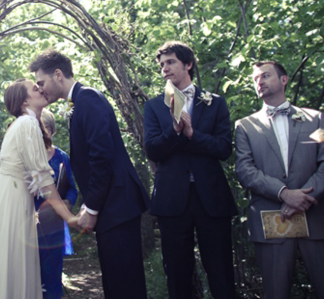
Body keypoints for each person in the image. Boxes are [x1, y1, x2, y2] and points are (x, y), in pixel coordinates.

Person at [30, 50, 150, 299]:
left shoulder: (89, 98)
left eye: (41, 83)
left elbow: (101, 156)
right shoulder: (79, 102)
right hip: (111, 205)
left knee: (125, 282)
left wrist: (92, 209)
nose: (41, 90)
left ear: (58, 74)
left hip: (118, 205)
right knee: (115, 281)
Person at [143, 41, 238, 299]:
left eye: (171, 62)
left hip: (211, 197)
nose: (164, 68)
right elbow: (152, 149)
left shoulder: (215, 103)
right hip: (172, 199)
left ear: (188, 64)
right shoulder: (154, 106)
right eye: (161, 64)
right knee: (177, 273)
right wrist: (174, 132)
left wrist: (193, 134)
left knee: (221, 272)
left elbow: (223, 148)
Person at [0, 79, 79, 299]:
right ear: (24, 101)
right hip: (11, 205)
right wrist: (70, 218)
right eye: (34, 88)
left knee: (11, 269)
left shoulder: (26, 124)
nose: (40, 88)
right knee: (12, 267)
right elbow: (43, 180)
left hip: (10, 200)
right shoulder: (26, 124)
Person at [235, 61, 324, 299]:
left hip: (315, 218)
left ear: (283, 80)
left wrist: (303, 196)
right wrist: (284, 193)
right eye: (255, 79)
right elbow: (244, 170)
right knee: (276, 293)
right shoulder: (245, 126)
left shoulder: (317, 119)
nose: (259, 82)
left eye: (265, 76)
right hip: (271, 219)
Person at [35, 109, 78, 299]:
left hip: (53, 224)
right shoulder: (27, 157)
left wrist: (68, 202)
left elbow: (71, 188)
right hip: (29, 223)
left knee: (51, 272)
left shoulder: (62, 157)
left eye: (45, 130)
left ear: (52, 131)